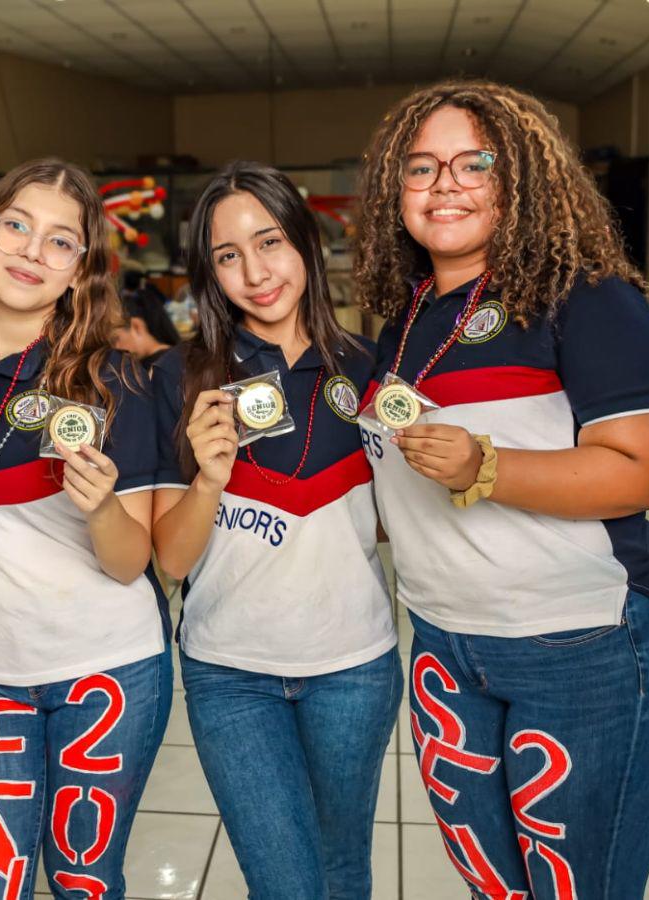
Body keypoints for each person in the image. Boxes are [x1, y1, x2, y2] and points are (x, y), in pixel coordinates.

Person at [354, 80, 649, 898]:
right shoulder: (406, 318)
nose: (443, 184)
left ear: (521, 177)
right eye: (420, 167)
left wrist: (487, 466)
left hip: (586, 645)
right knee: (496, 883)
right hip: (447, 643)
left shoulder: (586, 297)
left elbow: (642, 472)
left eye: (472, 162)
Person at [0, 158, 171, 900]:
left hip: (108, 669)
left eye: (60, 242)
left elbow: (133, 565)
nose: (32, 250)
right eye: (18, 226)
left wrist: (98, 507)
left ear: (80, 269)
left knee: (82, 880)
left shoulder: (113, 380)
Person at [151, 161, 399, 899]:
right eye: (228, 256)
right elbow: (171, 557)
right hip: (231, 675)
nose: (255, 272)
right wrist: (209, 477)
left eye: (270, 242)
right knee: (285, 884)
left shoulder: (371, 367)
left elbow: (394, 523)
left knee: (342, 869)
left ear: (307, 244)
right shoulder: (180, 377)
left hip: (354, 665)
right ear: (208, 271)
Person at [112, 284, 180, 372]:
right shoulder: (175, 356)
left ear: (137, 326)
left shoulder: (156, 369)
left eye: (115, 339)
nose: (116, 347)